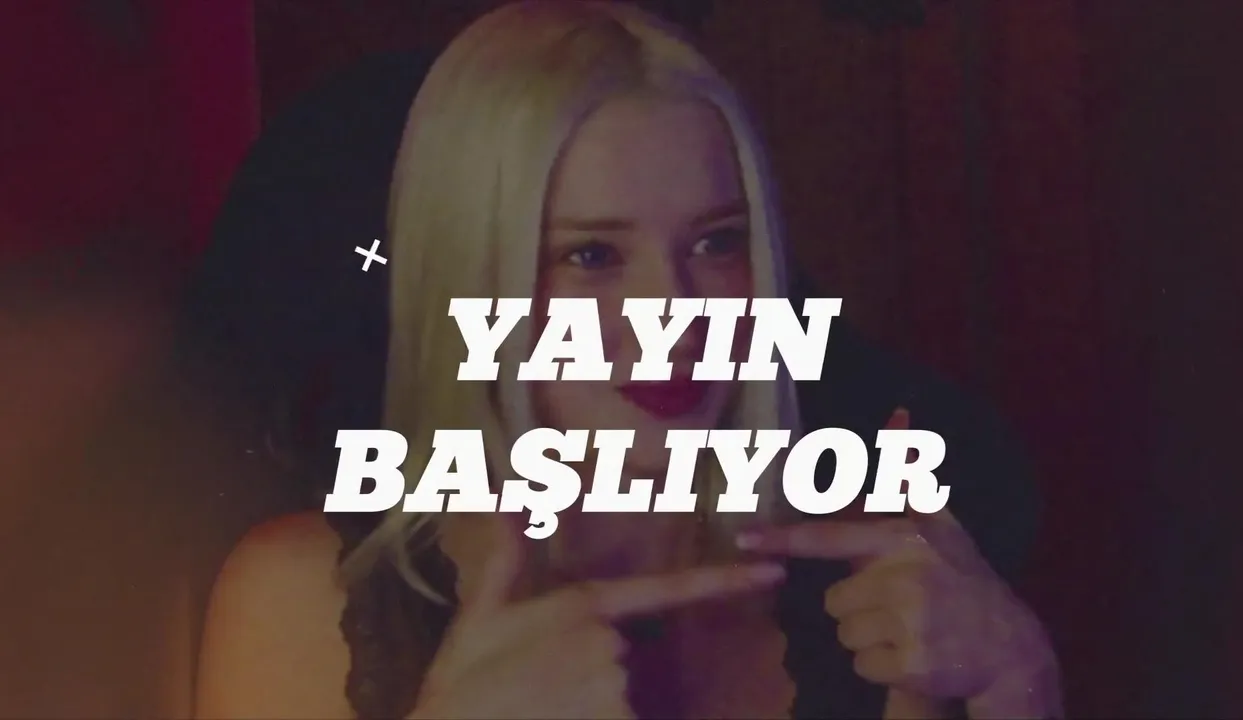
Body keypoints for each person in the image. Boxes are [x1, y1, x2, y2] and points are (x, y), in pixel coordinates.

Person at [193, 2, 1060, 718]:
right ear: (470, 277)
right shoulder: (304, 604)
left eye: (716, 243)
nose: (673, 312)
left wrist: (1020, 683)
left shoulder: (873, 588)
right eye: (592, 256)